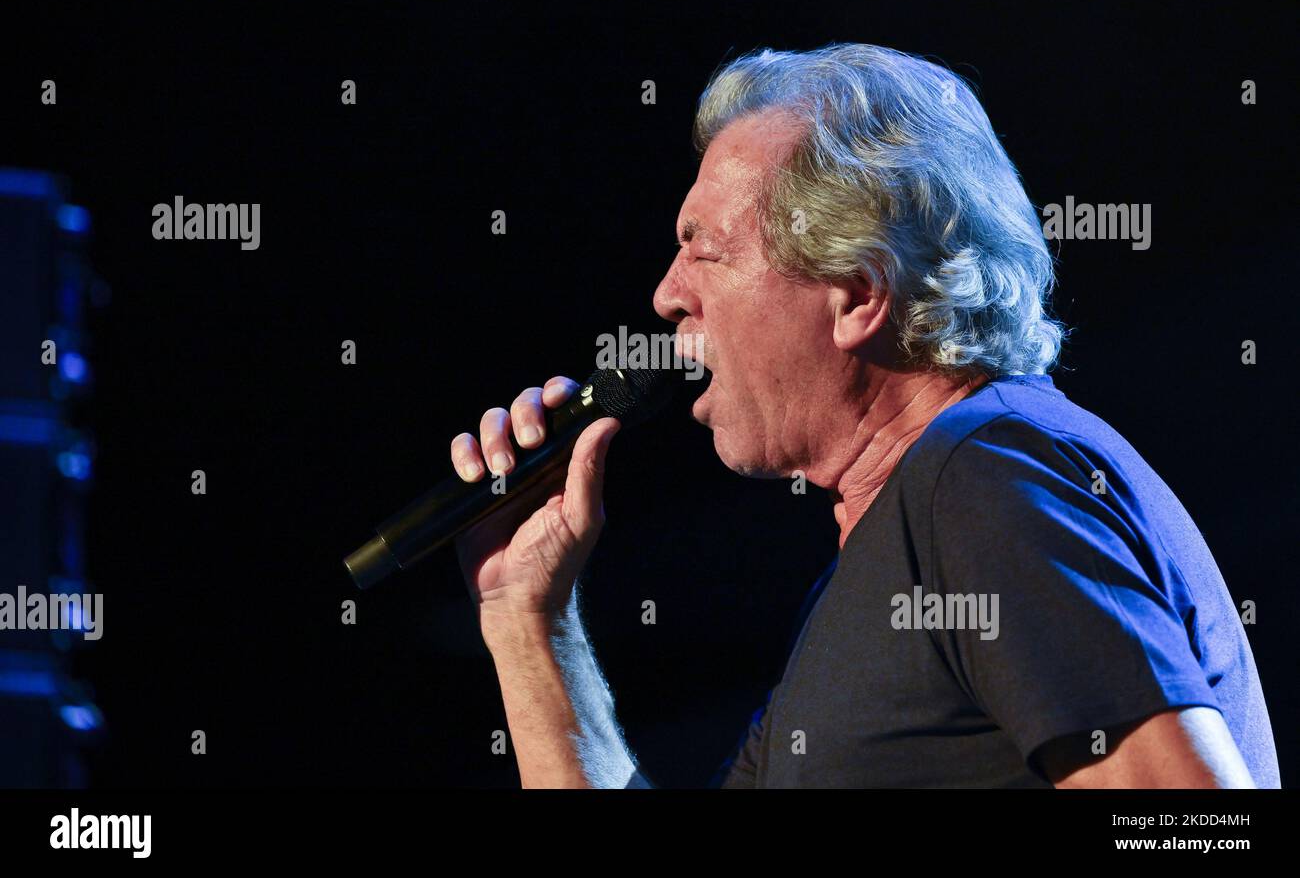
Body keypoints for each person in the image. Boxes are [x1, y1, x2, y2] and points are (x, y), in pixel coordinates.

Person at [447, 44, 1280, 788]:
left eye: (704, 248)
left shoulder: (984, 478)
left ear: (859, 295)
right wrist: (528, 618)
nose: (667, 294)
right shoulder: (894, 548)